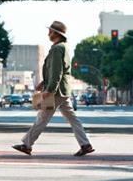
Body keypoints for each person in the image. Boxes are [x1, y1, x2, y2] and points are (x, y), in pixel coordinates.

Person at [12, 21, 94, 157]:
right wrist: (44, 83)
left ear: (57, 33)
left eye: (50, 31)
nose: (48, 33)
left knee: (43, 117)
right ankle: (85, 145)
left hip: (57, 91)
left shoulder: (57, 49)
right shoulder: (64, 47)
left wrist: (49, 89)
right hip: (63, 90)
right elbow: (56, 70)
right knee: (72, 118)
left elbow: (57, 72)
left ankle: (27, 145)